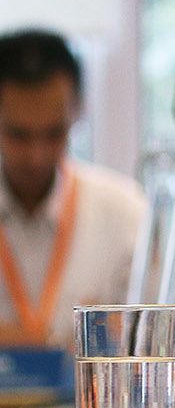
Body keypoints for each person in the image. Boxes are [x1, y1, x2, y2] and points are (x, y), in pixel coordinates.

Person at [0, 29, 145, 349]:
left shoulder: (125, 213)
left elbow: (150, 340)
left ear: (78, 109)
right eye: (18, 135)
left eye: (54, 133)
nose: (36, 156)